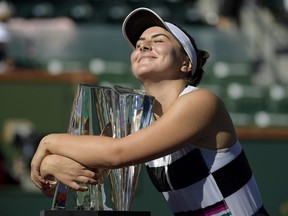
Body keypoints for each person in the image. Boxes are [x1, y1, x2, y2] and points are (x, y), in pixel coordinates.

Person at [31, 7, 269, 216]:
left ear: (185, 63)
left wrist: (47, 142)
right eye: (139, 44)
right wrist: (51, 164)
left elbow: (116, 154)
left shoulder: (202, 101)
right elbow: (90, 170)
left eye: (158, 40)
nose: (144, 44)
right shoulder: (137, 118)